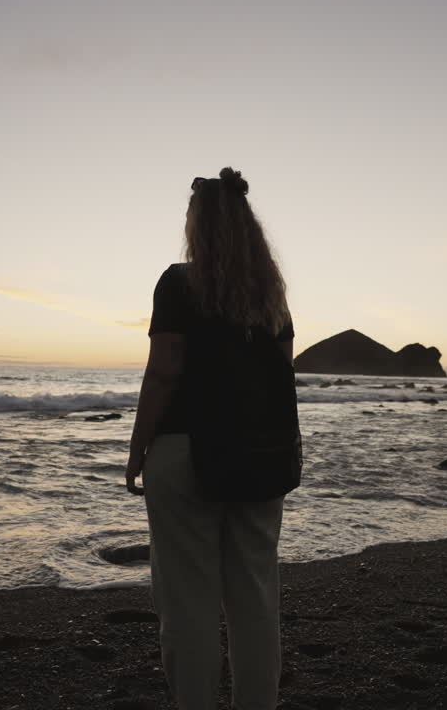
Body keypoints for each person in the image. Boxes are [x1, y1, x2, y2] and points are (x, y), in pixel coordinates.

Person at [126, 167, 302, 710]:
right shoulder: (273, 299)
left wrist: (138, 447)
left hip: (186, 453)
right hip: (261, 456)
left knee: (188, 600)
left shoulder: (180, 282)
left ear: (199, 228)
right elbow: (279, 377)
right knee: (254, 597)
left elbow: (164, 370)